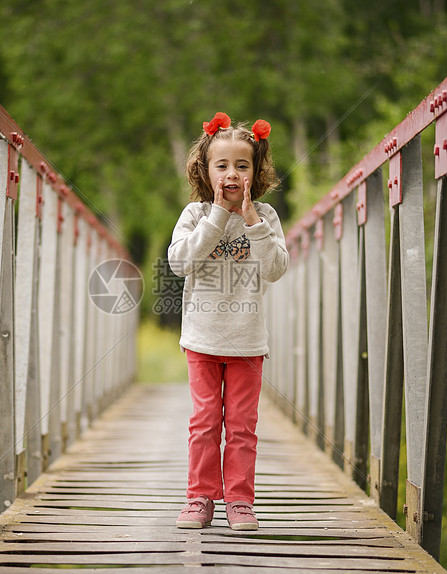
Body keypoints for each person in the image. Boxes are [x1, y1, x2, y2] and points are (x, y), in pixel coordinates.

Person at [167, 111, 289, 530]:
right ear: (206, 170)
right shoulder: (195, 214)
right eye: (222, 165)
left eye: (242, 165)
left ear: (256, 173)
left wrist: (252, 223)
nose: (232, 174)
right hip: (202, 339)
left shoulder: (266, 217)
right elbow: (180, 262)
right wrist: (218, 215)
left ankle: (240, 502)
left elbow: (275, 268)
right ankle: (199, 498)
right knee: (204, 423)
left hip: (248, 342)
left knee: (241, 427)